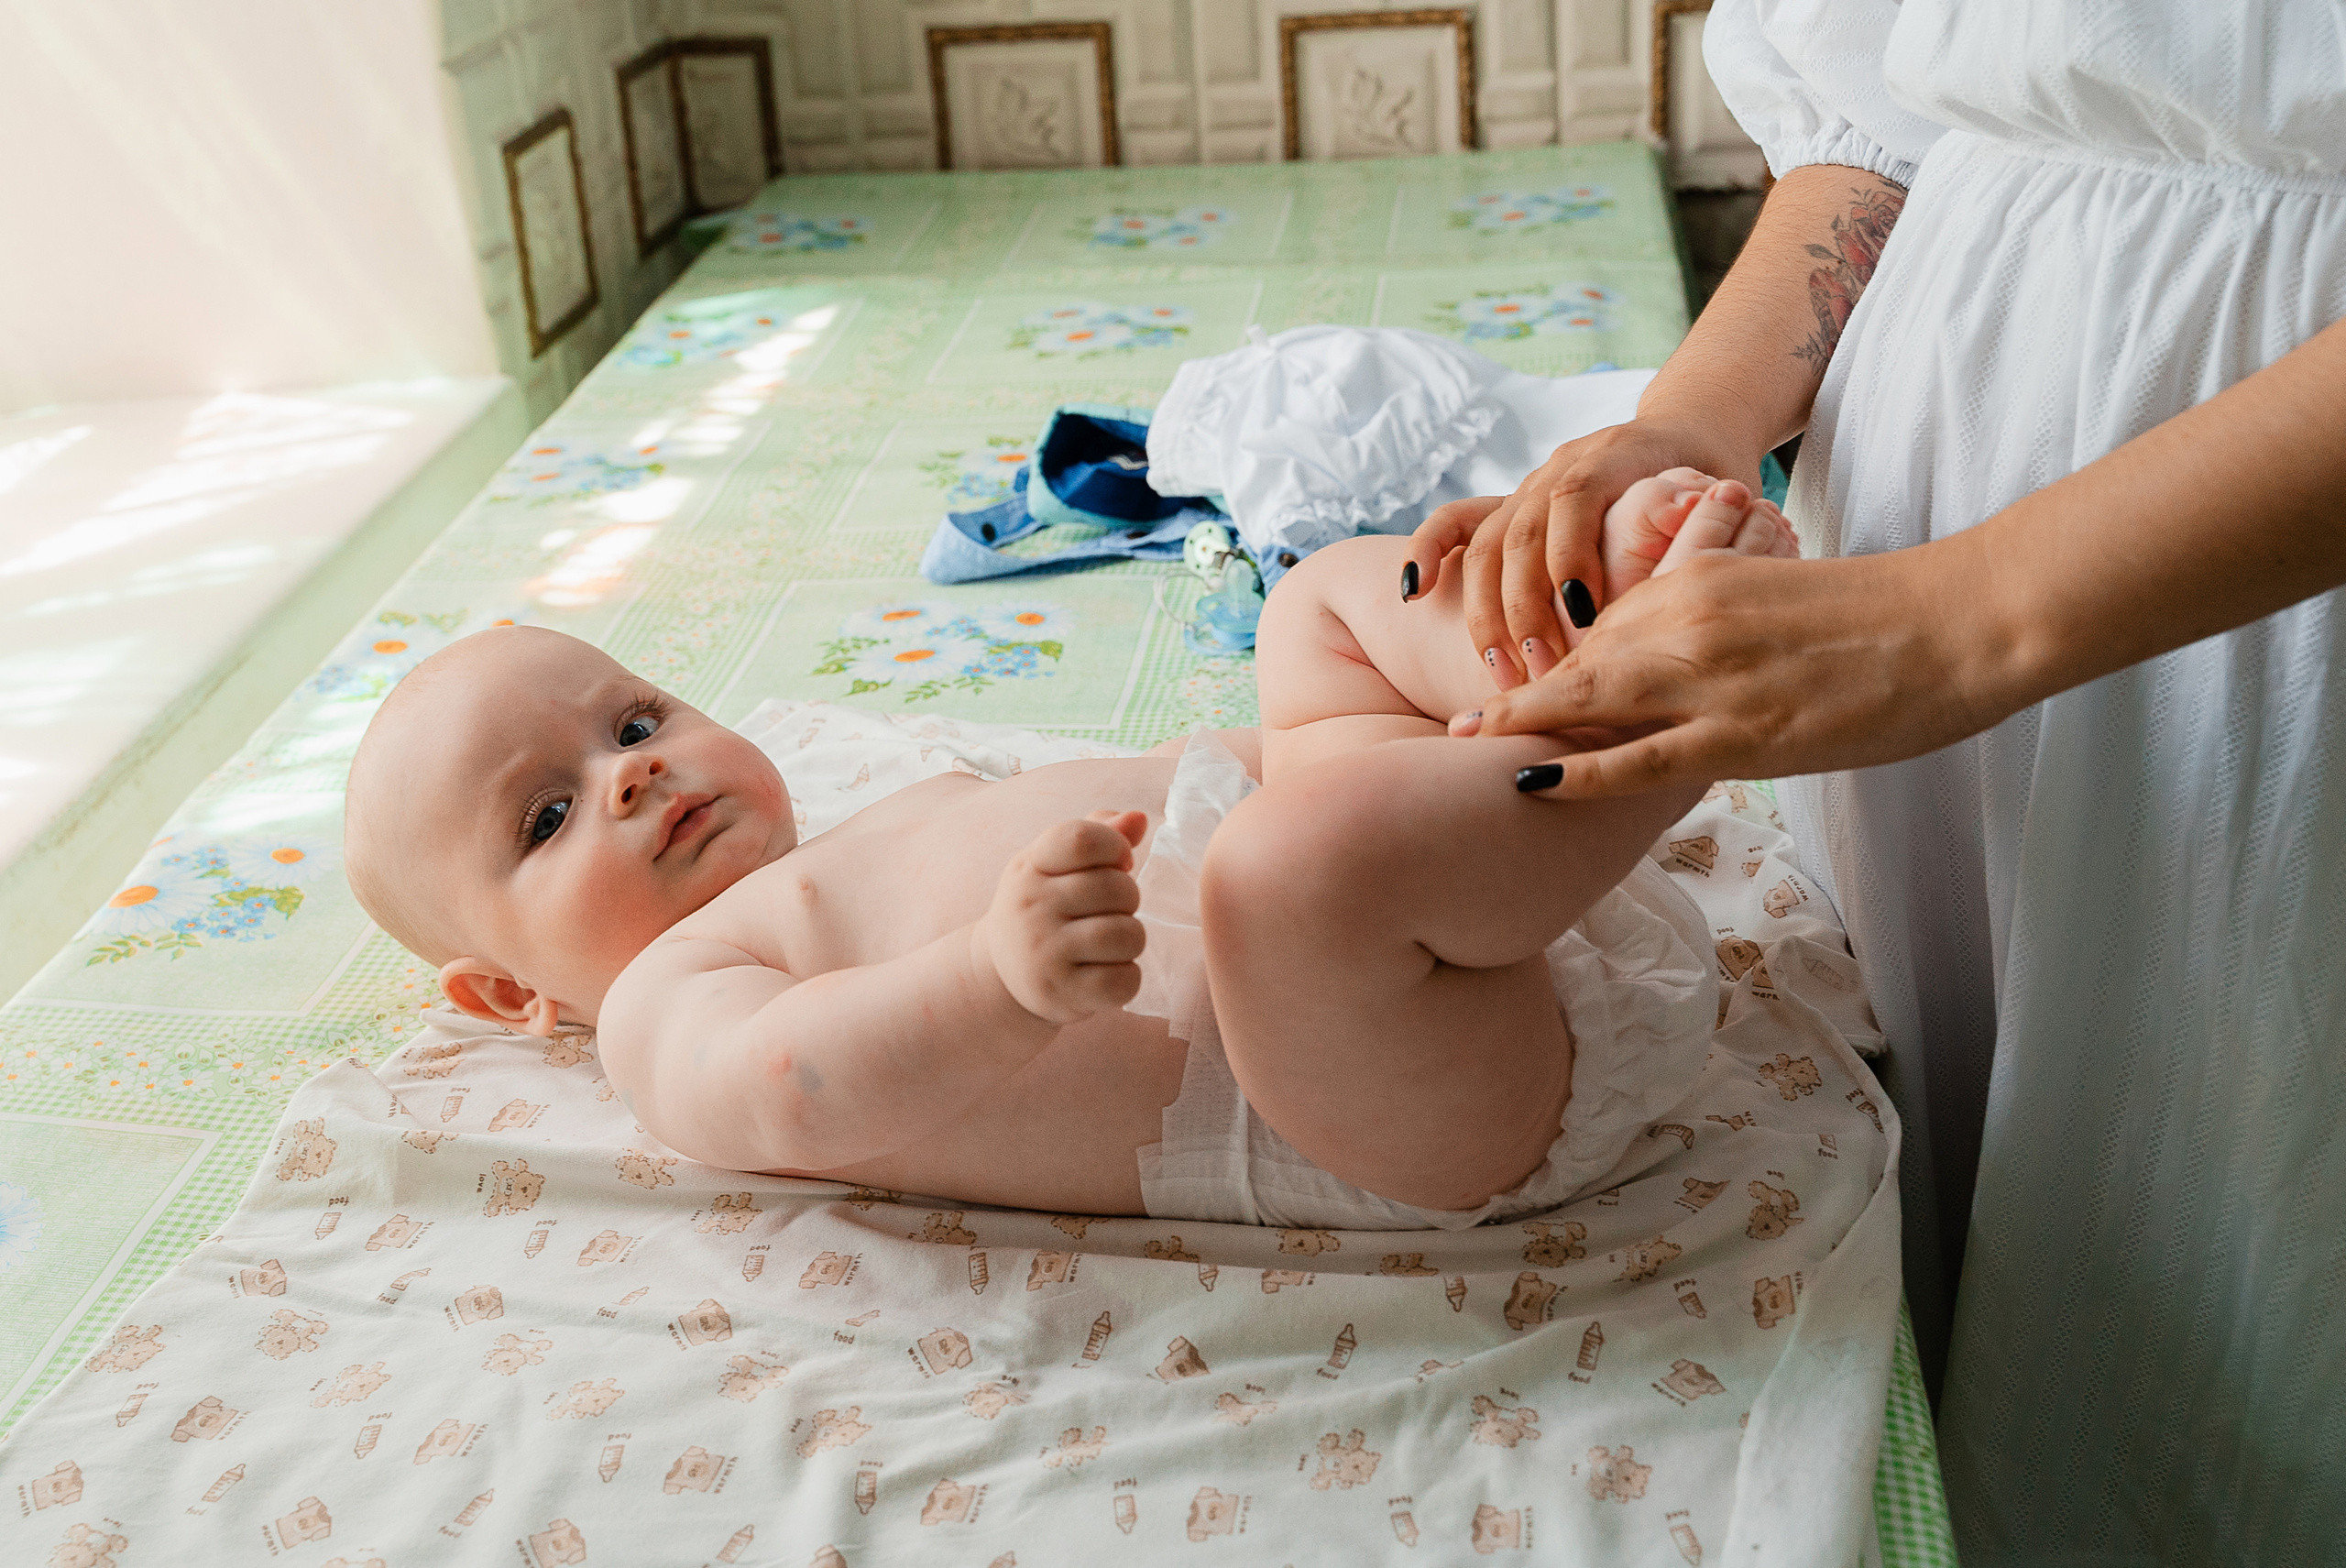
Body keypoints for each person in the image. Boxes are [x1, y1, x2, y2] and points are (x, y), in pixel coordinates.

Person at [1400, 2, 2346, 1558]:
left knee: (2219, 1339)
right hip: (1922, 553)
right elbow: (1886, 116)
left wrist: (1958, 620)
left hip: (2268, 609)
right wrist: (1687, 422)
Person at [337, 485, 1782, 1232]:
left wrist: (1339, 740)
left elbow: (1203, 787)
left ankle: (1587, 639)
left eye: (634, 721)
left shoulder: (868, 830)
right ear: (508, 994)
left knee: (1322, 607)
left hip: (1460, 894)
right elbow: (791, 1081)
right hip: (1406, 1089)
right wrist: (993, 979)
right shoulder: (663, 1005)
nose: (632, 773)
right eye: (546, 819)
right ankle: (1686, 710)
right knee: (1286, 872)